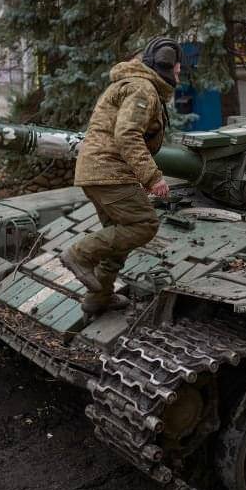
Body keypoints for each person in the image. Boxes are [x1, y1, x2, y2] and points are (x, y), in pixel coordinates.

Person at [59, 37, 181, 315]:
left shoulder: (135, 85)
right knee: (144, 224)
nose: (179, 73)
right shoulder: (143, 89)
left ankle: (99, 297)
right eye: (176, 67)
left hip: (98, 171)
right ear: (164, 66)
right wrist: (153, 177)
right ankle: (79, 255)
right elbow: (127, 134)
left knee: (119, 236)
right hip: (110, 171)